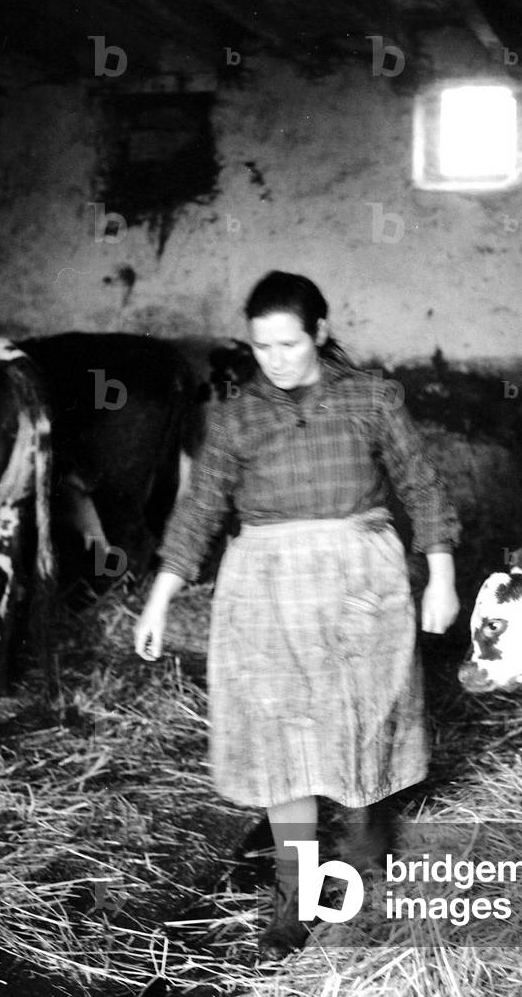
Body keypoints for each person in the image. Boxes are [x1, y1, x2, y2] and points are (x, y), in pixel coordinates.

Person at [133, 270, 460, 958]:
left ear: (318, 332)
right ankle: (294, 894)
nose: (275, 361)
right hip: (265, 589)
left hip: (358, 578)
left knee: (361, 722)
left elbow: (421, 485)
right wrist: (160, 598)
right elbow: (198, 513)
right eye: (260, 348)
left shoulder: (371, 398)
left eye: (288, 344)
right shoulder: (235, 415)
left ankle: (368, 859)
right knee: (282, 741)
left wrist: (441, 575)